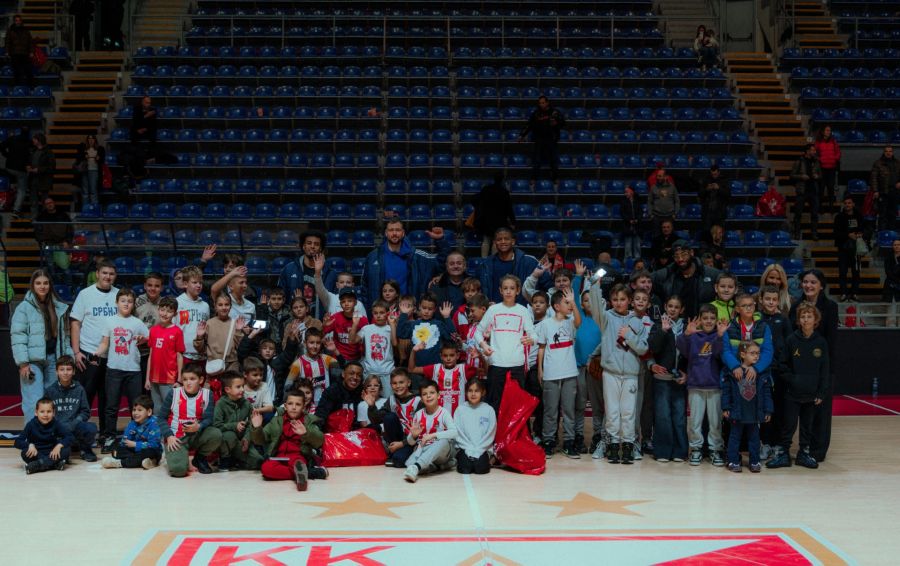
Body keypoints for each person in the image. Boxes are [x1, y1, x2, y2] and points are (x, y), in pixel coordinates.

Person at [589, 283, 649, 464]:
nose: (618, 303)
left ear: (630, 301)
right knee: (612, 411)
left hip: (631, 374)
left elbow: (643, 348)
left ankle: (628, 445)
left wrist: (629, 335)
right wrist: (595, 288)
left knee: (629, 412)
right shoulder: (606, 318)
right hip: (611, 373)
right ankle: (613, 445)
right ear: (610, 301)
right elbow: (596, 308)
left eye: (622, 299)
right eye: (615, 299)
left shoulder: (637, 321)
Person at [767, 303, 829, 470]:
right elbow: (782, 364)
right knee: (788, 425)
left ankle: (803, 454)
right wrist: (793, 380)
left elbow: (824, 370)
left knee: (807, 426)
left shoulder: (821, 342)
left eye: (809, 316)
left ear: (815, 320)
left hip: (811, 393)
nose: (806, 320)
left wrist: (821, 392)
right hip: (792, 393)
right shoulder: (791, 340)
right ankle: (783, 454)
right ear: (798, 320)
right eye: (803, 316)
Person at [11, 269, 73, 427]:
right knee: (33, 400)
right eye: (38, 283)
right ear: (32, 285)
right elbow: (18, 336)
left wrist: (69, 358)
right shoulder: (24, 307)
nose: (42, 286)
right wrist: (23, 363)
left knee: (52, 401)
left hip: (54, 360)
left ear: (50, 285)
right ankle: (32, 436)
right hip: (32, 362)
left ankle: (49, 435)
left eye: (45, 283)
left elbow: (65, 337)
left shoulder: (58, 307)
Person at [788, 269, 838, 462]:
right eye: (806, 282)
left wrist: (827, 371)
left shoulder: (830, 307)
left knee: (821, 411)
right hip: (800, 368)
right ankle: (801, 448)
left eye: (813, 282)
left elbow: (832, 341)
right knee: (802, 411)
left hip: (821, 367)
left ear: (821, 286)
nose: (808, 285)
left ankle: (818, 451)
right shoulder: (795, 306)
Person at [93, 288, 149, 452]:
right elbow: (104, 343)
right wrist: (96, 353)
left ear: (133, 304)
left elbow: (148, 338)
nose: (126, 304)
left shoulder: (137, 323)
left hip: (133, 370)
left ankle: (136, 437)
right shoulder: (109, 321)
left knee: (136, 407)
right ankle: (109, 437)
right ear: (117, 302)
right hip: (114, 370)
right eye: (123, 301)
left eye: (130, 301)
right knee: (111, 406)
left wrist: (143, 339)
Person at [70, 259, 119, 438]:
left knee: (108, 399)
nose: (108, 276)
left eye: (111, 274)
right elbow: (75, 324)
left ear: (115, 276)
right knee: (85, 397)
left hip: (112, 356)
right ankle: (80, 435)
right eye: (104, 273)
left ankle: (106, 436)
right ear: (97, 274)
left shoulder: (119, 295)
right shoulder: (85, 294)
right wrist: (76, 352)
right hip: (88, 353)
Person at [677, 305, 729, 466]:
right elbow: (683, 350)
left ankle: (715, 449)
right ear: (699, 319)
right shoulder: (693, 336)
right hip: (695, 385)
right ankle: (696, 449)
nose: (708, 321)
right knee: (695, 421)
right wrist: (686, 334)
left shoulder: (719, 336)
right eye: (705, 318)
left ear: (716, 320)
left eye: (712, 318)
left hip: (714, 386)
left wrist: (720, 336)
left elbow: (719, 355)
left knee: (715, 422)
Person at [360, 219, 449, 311]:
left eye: (398, 230)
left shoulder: (416, 256)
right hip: (381, 313)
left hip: (408, 311)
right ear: (386, 233)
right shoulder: (373, 257)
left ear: (403, 233)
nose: (394, 233)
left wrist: (440, 240)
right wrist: (368, 312)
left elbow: (442, 262)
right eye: (391, 230)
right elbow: (364, 288)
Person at [476, 274, 535, 412]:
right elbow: (478, 332)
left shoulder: (523, 311)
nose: (508, 291)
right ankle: (495, 427)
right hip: (496, 363)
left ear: (518, 291)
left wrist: (532, 339)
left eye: (512, 288)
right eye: (505, 288)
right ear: (500, 290)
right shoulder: (493, 310)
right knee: (495, 402)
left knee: (517, 404)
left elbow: (533, 334)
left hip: (517, 364)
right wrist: (484, 345)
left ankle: (517, 428)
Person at [251, 388, 327, 490]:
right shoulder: (276, 420)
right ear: (285, 406)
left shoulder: (308, 421)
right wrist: (257, 428)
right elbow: (260, 440)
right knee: (266, 468)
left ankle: (301, 472)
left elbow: (320, 441)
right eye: (290, 404)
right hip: (278, 457)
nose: (294, 407)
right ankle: (307, 473)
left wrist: (306, 433)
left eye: (298, 404)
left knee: (298, 463)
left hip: (297, 457)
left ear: (303, 407)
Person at [537, 289, 582, 459]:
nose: (569, 306)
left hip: (569, 373)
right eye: (566, 303)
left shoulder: (570, 322)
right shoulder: (546, 324)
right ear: (556, 306)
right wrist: (540, 369)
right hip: (551, 374)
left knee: (569, 410)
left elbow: (578, 322)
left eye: (570, 303)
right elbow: (541, 348)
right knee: (550, 411)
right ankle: (548, 441)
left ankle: (569, 442)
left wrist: (574, 302)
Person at [158, 364, 222, 476]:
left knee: (216, 434)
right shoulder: (174, 393)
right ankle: (179, 457)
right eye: (185, 379)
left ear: (200, 380)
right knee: (178, 471)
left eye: (192, 379)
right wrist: (169, 436)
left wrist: (199, 426)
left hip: (197, 435)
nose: (188, 383)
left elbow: (209, 418)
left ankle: (199, 458)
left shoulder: (208, 394)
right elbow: (161, 418)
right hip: (176, 438)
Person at [647, 296, 688, 463]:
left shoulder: (687, 327)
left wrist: (687, 372)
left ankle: (680, 451)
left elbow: (691, 353)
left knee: (679, 416)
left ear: (681, 309)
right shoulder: (657, 325)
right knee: (663, 415)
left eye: (676, 307)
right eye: (670, 306)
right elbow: (653, 348)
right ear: (665, 306)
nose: (673, 309)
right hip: (662, 378)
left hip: (680, 378)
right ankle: (663, 450)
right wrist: (663, 331)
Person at [722, 341, 773, 473]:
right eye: (753, 353)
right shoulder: (732, 372)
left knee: (754, 439)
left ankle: (754, 461)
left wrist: (768, 410)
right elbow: (726, 391)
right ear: (743, 354)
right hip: (737, 412)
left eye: (758, 353)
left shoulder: (761, 373)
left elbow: (767, 393)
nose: (756, 356)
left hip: (754, 413)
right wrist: (726, 407)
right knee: (734, 438)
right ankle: (733, 460)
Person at [365, 368, 423, 467]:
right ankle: (393, 449)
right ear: (391, 385)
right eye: (394, 383)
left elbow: (422, 428)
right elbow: (377, 419)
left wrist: (403, 443)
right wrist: (371, 406)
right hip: (397, 438)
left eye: (401, 382)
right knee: (389, 417)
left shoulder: (418, 400)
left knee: (399, 460)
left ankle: (400, 452)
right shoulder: (391, 399)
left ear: (408, 383)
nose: (398, 386)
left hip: (411, 440)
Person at [402, 379, 458, 483]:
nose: (428, 396)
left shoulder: (444, 413)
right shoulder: (418, 414)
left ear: (438, 395)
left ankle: (417, 467)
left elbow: (455, 433)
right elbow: (410, 442)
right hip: (424, 449)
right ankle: (441, 467)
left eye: (432, 393)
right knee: (408, 464)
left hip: (442, 452)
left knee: (443, 441)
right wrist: (413, 436)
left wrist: (433, 435)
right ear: (421, 399)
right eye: (424, 394)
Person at [476, 227, 550, 304]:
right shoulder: (485, 265)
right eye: (499, 239)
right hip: (494, 309)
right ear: (494, 242)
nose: (503, 242)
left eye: (506, 239)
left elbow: (549, 286)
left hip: (522, 309)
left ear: (513, 241)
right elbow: (477, 291)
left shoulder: (530, 262)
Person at [44, 355, 97, 462]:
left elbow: (85, 412)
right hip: (58, 429)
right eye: (62, 369)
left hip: (75, 426)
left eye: (68, 369)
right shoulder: (50, 391)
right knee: (60, 451)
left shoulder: (79, 389)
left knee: (91, 428)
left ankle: (85, 449)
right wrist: (58, 425)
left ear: (73, 372)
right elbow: (46, 413)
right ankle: (65, 447)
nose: (65, 372)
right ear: (56, 372)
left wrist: (75, 422)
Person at [651, 240, 721, 319]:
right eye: (676, 256)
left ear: (691, 252)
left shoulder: (711, 274)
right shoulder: (668, 273)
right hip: (676, 323)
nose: (680, 259)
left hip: (703, 322)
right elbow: (646, 279)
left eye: (684, 254)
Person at [278, 231, 337, 319]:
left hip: (322, 323)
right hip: (294, 322)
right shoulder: (289, 269)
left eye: (316, 244)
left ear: (320, 248)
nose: (312, 246)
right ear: (303, 246)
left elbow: (335, 302)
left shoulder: (330, 273)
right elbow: (280, 297)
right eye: (309, 243)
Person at [412, 341, 476, 417]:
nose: (448, 358)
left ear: (458, 355)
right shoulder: (435, 369)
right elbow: (412, 369)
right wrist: (413, 351)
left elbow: (484, 372)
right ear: (441, 356)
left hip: (459, 416)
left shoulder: (464, 369)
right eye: (445, 356)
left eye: (452, 355)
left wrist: (481, 356)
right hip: (439, 417)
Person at [101, 395, 162, 469]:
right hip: (135, 450)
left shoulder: (154, 423)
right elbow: (125, 441)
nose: (135, 413)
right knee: (116, 451)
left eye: (139, 410)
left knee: (149, 452)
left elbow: (154, 445)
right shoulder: (132, 423)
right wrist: (126, 442)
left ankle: (120, 463)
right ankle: (147, 461)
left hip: (150, 450)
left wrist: (136, 444)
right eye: (134, 410)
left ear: (149, 412)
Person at [194, 294, 246, 381]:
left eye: (226, 304)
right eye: (220, 305)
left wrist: (238, 331)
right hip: (213, 365)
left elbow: (240, 348)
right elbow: (200, 350)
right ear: (215, 306)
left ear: (230, 306)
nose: (224, 307)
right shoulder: (209, 323)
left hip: (232, 365)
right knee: (213, 388)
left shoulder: (235, 324)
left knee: (231, 388)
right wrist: (199, 336)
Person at [212, 372, 258, 471]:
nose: (242, 389)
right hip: (226, 440)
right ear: (227, 390)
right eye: (238, 387)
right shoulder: (220, 404)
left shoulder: (246, 403)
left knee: (257, 461)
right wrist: (234, 425)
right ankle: (224, 459)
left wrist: (247, 438)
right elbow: (216, 426)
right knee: (230, 435)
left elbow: (252, 423)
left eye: (243, 386)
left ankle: (236, 460)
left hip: (240, 440)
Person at [519, 95, 565, 187]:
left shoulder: (555, 112)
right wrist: (522, 135)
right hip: (539, 139)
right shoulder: (536, 114)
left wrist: (556, 123)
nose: (541, 104)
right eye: (540, 103)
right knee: (537, 160)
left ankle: (555, 178)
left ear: (547, 103)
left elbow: (563, 123)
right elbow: (529, 125)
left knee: (553, 160)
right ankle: (534, 178)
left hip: (551, 139)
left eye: (543, 103)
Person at [16, 398, 71, 474]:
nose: (45, 415)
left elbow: (69, 437)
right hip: (36, 453)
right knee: (24, 453)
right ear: (36, 413)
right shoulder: (30, 425)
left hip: (52, 452)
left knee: (66, 450)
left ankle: (38, 465)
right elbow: (17, 442)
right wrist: (29, 445)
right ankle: (54, 464)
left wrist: (59, 446)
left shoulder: (56, 423)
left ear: (54, 413)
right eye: (42, 412)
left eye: (49, 411)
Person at [285, 328, 339, 405]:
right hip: (305, 406)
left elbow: (344, 366)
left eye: (318, 343)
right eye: (311, 342)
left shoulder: (326, 359)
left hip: (324, 405)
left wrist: (335, 351)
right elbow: (287, 386)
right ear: (305, 343)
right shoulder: (298, 364)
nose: (315, 346)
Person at [453, 379, 496, 474]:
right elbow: (458, 433)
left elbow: (490, 433)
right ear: (466, 392)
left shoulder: (489, 410)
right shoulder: (460, 410)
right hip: (464, 447)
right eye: (470, 391)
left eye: (476, 391)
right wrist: (468, 448)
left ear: (483, 392)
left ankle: (490, 459)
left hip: (482, 448)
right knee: (464, 469)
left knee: (481, 469)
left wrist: (479, 449)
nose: (473, 394)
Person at [399, 295, 454, 367]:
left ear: (434, 309)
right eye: (424, 308)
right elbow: (400, 333)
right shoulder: (413, 324)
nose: (426, 311)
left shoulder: (439, 324)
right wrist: (404, 315)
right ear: (419, 307)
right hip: (417, 367)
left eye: (430, 309)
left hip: (435, 367)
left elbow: (452, 337)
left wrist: (447, 317)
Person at [471, 173, 516, 258]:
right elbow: (509, 208)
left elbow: (477, 200)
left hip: (486, 220)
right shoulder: (504, 191)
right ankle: (493, 260)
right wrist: (513, 222)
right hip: (499, 220)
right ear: (502, 180)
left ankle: (484, 260)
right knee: (496, 240)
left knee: (486, 240)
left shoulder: (486, 189)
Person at [174, 266, 210, 365]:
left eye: (200, 283)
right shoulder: (177, 302)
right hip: (182, 355)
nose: (198, 285)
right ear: (185, 284)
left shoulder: (205, 306)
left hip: (201, 354)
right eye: (194, 282)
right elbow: (172, 329)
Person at [314, 361, 364, 429]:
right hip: (334, 430)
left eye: (359, 375)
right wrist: (316, 430)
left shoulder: (363, 392)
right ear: (343, 374)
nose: (355, 377)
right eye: (351, 373)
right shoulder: (332, 391)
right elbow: (321, 414)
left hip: (356, 430)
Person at [834, 196, 864, 301]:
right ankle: (843, 293)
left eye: (849, 203)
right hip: (843, 249)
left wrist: (860, 234)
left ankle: (854, 293)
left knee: (856, 272)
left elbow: (864, 229)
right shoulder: (839, 217)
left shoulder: (859, 216)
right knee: (843, 272)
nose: (847, 205)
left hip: (856, 249)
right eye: (846, 203)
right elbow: (836, 233)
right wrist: (848, 235)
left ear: (853, 204)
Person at [791, 143, 823, 240]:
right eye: (813, 150)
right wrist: (801, 177)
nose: (814, 152)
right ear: (807, 151)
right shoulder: (799, 161)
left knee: (814, 214)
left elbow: (820, 175)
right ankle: (796, 233)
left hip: (813, 190)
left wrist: (817, 176)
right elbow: (792, 176)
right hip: (802, 191)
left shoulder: (816, 161)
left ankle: (814, 233)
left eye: (815, 150)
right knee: (798, 213)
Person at [1, 125, 32, 218]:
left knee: (12, 186)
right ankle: (16, 210)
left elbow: (1, 146)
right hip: (21, 170)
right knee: (22, 190)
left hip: (9, 168)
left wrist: (7, 155)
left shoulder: (12, 138)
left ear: (20, 131)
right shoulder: (30, 142)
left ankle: (8, 202)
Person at [869, 146, 899, 231]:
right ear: (884, 152)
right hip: (883, 193)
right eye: (886, 151)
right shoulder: (878, 163)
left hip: (895, 192)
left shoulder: (897, 163)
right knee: (882, 214)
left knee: (893, 214)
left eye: (890, 151)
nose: (888, 153)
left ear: (892, 152)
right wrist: (875, 191)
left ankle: (891, 234)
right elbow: (873, 178)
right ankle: (882, 234)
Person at [73, 135, 105, 206]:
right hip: (85, 171)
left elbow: (102, 160)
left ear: (95, 140)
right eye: (89, 139)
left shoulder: (99, 149)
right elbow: (78, 158)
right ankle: (86, 208)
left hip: (94, 170)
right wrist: (84, 156)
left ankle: (94, 207)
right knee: (85, 191)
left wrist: (99, 159)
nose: (91, 140)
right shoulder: (83, 148)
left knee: (93, 190)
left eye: (92, 138)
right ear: (87, 140)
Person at [26, 133, 56, 205]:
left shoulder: (48, 152)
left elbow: (51, 167)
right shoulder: (33, 150)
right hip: (33, 179)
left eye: (34, 139)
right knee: (33, 201)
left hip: (44, 180)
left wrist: (39, 170)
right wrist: (28, 166)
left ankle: (44, 212)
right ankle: (34, 212)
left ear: (39, 141)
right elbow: (30, 161)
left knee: (44, 201)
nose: (33, 140)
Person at [814, 126, 841, 204]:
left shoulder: (833, 141)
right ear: (823, 132)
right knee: (821, 188)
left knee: (831, 188)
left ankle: (831, 206)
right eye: (827, 130)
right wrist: (820, 160)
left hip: (832, 168)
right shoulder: (818, 142)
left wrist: (835, 159)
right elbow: (814, 153)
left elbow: (838, 152)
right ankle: (820, 206)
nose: (829, 132)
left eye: (830, 130)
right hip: (822, 168)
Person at [648, 168, 679, 235]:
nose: (658, 178)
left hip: (669, 216)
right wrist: (651, 214)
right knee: (657, 237)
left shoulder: (672, 187)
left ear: (665, 177)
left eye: (660, 176)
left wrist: (675, 213)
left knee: (670, 237)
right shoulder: (653, 187)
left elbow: (677, 201)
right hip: (657, 217)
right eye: (657, 176)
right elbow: (649, 202)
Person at [699, 165, 730, 230]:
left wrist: (719, 188)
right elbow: (700, 194)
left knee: (718, 232)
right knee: (707, 232)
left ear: (719, 172)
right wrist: (707, 189)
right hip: (707, 212)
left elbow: (728, 194)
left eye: (715, 174)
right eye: (712, 174)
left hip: (719, 212)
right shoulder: (706, 180)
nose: (713, 176)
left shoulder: (724, 180)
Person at [4, 15, 33, 86]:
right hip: (15, 53)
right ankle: (17, 87)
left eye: (19, 20)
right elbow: (7, 42)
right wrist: (7, 52)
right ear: (14, 21)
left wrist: (31, 51)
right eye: (16, 20)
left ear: (21, 21)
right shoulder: (10, 30)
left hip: (25, 53)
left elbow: (30, 42)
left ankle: (30, 87)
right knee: (16, 72)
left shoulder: (26, 30)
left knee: (28, 71)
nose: (18, 22)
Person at [621, 185, 642, 259]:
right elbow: (623, 213)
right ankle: (628, 260)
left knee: (637, 244)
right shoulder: (623, 202)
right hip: (627, 226)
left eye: (627, 192)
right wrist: (629, 220)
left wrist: (637, 219)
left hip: (637, 225)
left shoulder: (637, 201)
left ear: (632, 192)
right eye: (625, 192)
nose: (625, 193)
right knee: (628, 244)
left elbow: (640, 212)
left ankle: (638, 259)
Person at [885, 238, 900, 326]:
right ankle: (890, 326)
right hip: (892, 285)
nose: (897, 246)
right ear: (892, 246)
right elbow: (888, 272)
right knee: (891, 307)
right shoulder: (889, 257)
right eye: (895, 245)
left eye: (898, 245)